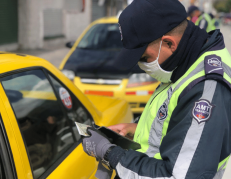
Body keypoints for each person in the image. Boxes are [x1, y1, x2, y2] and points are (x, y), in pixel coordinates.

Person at [82, 0, 231, 178]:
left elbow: (179, 175)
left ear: (169, 43)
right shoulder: (183, 63)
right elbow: (174, 120)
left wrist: (111, 154)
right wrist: (137, 129)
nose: (142, 65)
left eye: (144, 58)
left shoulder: (205, 90)